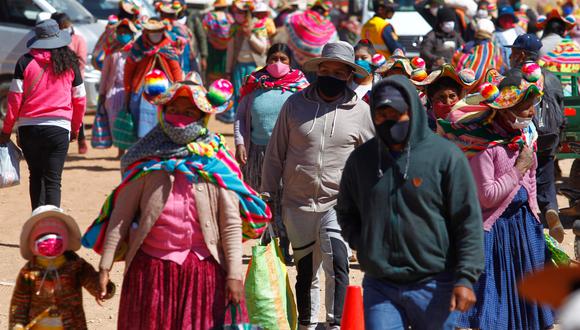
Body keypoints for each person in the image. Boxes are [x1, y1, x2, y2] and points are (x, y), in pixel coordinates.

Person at [92, 74, 268, 329]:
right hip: (151, 273)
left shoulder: (216, 164)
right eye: (173, 109)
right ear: (162, 112)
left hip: (203, 273)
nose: (180, 116)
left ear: (203, 116)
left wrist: (234, 276)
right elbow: (120, 218)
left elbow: (229, 225)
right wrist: (105, 267)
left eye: (189, 111)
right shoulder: (146, 162)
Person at [336, 75, 484, 330]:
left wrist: (465, 278)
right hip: (380, 284)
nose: (389, 120)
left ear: (412, 112)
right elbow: (346, 211)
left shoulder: (445, 157)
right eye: (382, 114)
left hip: (435, 283)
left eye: (397, 113)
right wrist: (366, 243)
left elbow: (467, 221)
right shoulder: (361, 160)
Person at [260, 42, 375, 329]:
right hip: (296, 202)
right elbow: (276, 153)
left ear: (349, 76)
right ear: (318, 70)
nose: (332, 76)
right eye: (327, 70)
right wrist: (266, 193)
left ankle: (336, 323)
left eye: (339, 72)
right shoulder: (295, 105)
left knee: (337, 262)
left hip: (339, 203)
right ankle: (307, 324)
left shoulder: (360, 111)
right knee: (305, 270)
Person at [438, 67, 555, 329]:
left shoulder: (523, 138)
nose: (531, 112)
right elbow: (487, 196)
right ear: (505, 109)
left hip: (523, 228)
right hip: (494, 233)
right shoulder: (484, 147)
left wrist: (535, 214)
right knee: (496, 301)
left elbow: (531, 182)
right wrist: (517, 169)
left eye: (532, 105)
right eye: (525, 107)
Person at [234, 43, 309, 263]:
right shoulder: (254, 84)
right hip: (257, 153)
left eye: (283, 59)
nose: (277, 64)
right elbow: (240, 117)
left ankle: (284, 242)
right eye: (273, 58)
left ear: (290, 62)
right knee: (263, 198)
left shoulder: (301, 86)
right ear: (266, 60)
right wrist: (240, 144)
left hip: (288, 153)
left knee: (285, 198)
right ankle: (269, 242)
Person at [0, 19, 86, 210]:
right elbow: (80, 100)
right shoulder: (70, 63)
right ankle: (52, 233)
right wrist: (75, 128)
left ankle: (37, 226)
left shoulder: (24, 62)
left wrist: (6, 130)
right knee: (53, 180)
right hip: (59, 128)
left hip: (29, 128)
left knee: (36, 177)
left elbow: (14, 100)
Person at [9, 206, 115, 329]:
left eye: (55, 235)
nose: (50, 243)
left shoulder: (74, 265)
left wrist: (103, 287)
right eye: (43, 236)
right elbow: (19, 306)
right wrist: (17, 326)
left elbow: (91, 280)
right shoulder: (29, 272)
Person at [509, 33, 566, 243]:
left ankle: (530, 219)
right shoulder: (552, 77)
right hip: (549, 136)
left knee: (524, 178)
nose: (511, 55)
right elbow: (561, 110)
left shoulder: (513, 76)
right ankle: (551, 209)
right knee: (545, 176)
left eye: (513, 51)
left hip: (524, 137)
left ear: (522, 54)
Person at [124, 17, 184, 139]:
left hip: (165, 89)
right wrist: (128, 89)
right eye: (152, 31)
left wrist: (178, 88)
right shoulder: (139, 47)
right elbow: (129, 69)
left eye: (158, 31)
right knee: (137, 110)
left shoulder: (168, 46)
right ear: (146, 32)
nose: (155, 34)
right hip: (141, 87)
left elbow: (175, 68)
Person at [220, 0, 269, 124]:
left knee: (254, 97)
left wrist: (250, 36)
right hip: (238, 68)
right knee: (238, 96)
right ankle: (239, 124)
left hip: (256, 67)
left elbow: (263, 48)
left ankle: (253, 124)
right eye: (236, 11)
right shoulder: (234, 27)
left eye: (241, 12)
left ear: (248, 13)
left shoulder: (259, 25)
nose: (238, 14)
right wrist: (228, 70)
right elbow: (230, 49)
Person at [98, 18, 138, 158]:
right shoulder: (112, 53)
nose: (122, 34)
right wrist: (102, 93)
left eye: (125, 32)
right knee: (116, 121)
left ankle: (132, 150)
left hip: (132, 92)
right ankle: (120, 151)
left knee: (131, 122)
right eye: (120, 32)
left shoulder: (136, 53)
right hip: (113, 93)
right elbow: (105, 75)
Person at [51, 12, 88, 155]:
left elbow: (82, 61)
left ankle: (81, 138)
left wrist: (67, 66)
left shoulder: (78, 39)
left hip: (74, 79)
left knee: (78, 107)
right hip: (57, 80)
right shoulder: (50, 40)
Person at [412, 64, 476, 128]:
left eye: (452, 96)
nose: (448, 102)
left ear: (459, 96)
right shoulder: (422, 124)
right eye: (441, 97)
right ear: (431, 98)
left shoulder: (469, 120)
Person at [286, 0, 338, 69]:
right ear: (326, 12)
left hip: (294, 56)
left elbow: (287, 21)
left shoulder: (298, 16)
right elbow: (334, 43)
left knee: (294, 76)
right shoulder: (329, 26)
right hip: (314, 62)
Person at [92, 0, 142, 70]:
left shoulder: (112, 25)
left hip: (106, 60)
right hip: (117, 62)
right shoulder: (130, 29)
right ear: (134, 16)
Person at [454, 18, 503, 85]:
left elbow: (455, 63)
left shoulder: (465, 47)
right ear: (492, 32)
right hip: (487, 91)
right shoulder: (496, 49)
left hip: (463, 88)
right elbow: (499, 71)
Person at [157, 1, 197, 74]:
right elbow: (192, 51)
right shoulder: (184, 29)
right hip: (183, 66)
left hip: (166, 68)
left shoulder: (158, 30)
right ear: (175, 15)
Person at [202, 0, 234, 83]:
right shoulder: (228, 16)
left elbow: (204, 29)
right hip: (226, 46)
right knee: (222, 68)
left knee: (212, 69)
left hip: (212, 46)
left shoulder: (210, 16)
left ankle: (211, 85)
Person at [494, 5, 525, 71]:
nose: (506, 20)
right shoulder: (495, 36)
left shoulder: (519, 30)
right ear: (499, 20)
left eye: (509, 17)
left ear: (513, 19)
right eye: (504, 17)